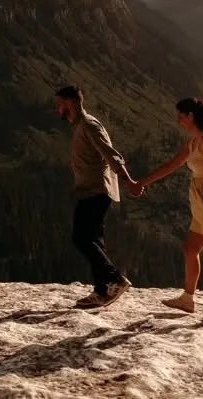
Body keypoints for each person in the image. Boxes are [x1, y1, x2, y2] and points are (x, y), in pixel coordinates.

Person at [130, 97, 203, 323]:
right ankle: (188, 298)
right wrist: (143, 182)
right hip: (202, 201)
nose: (179, 121)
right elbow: (172, 165)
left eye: (181, 117)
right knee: (190, 249)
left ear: (191, 116)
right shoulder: (195, 141)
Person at [54, 85, 139, 308]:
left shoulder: (89, 125)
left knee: (81, 238)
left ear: (71, 103)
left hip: (96, 191)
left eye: (60, 104)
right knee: (94, 241)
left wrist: (128, 180)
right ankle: (102, 292)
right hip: (89, 191)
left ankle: (115, 279)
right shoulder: (81, 126)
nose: (57, 109)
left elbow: (110, 153)